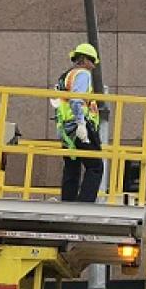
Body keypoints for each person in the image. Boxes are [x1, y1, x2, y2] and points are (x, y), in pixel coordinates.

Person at [54, 43, 103, 203]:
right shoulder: (83, 74)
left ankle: (68, 203)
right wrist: (81, 124)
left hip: (65, 129)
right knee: (95, 166)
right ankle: (84, 205)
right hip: (78, 127)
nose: (94, 66)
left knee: (72, 167)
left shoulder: (65, 76)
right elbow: (76, 100)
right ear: (85, 60)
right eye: (93, 61)